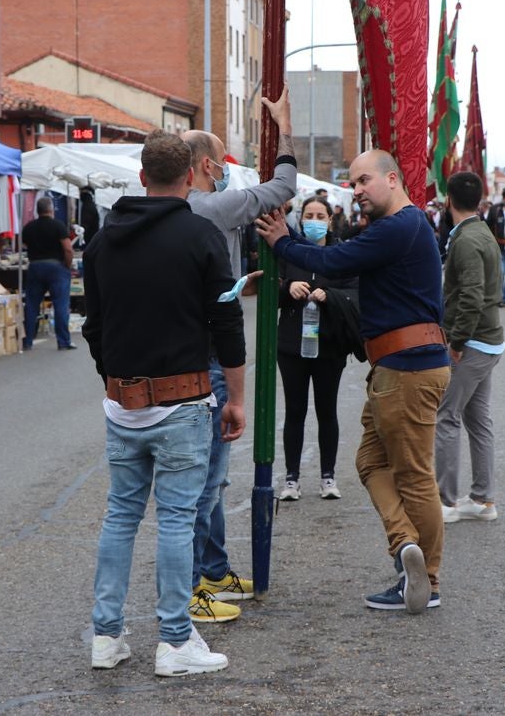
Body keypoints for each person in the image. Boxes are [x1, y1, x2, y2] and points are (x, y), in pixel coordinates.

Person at [82, 128, 247, 677]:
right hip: (183, 399)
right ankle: (175, 641)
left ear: (142, 176)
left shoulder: (104, 239)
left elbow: (94, 325)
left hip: (122, 402)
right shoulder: (200, 236)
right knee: (176, 519)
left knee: (121, 515)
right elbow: (227, 322)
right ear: (191, 176)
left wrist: (116, 377)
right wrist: (237, 399)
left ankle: (106, 636)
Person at [256, 149, 450, 615]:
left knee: (415, 474)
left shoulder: (399, 226)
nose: (357, 190)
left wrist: (283, 242)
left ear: (393, 179)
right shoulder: (403, 226)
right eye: (352, 183)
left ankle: (428, 580)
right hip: (398, 366)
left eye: (364, 181)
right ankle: (408, 548)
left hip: (407, 368)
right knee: (369, 461)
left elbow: (338, 262)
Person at [181, 86, 297, 623]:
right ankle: (190, 596)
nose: (229, 167)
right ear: (207, 165)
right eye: (224, 159)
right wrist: (284, 128)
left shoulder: (177, 209)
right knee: (204, 484)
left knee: (211, 479)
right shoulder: (214, 206)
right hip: (209, 356)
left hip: (180, 353)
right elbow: (283, 186)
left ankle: (213, 569)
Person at [276, 196, 359, 502]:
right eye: (308, 214)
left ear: (329, 220)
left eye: (319, 215)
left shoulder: (342, 253)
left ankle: (328, 476)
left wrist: (330, 295)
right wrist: (288, 288)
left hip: (329, 345)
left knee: (327, 411)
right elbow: (270, 289)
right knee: (294, 411)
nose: (313, 219)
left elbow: (355, 292)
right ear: (301, 218)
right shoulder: (290, 252)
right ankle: (291, 478)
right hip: (291, 345)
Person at [434, 172, 504, 525]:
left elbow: (472, 295)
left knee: (447, 417)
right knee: (478, 420)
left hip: (473, 343)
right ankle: (482, 499)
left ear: (448, 200)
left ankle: (445, 503)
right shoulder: (482, 233)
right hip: (489, 341)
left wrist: (456, 341)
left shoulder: (465, 240)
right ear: (479, 200)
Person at [22, 197, 75, 350]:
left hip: (35, 266)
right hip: (56, 267)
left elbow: (25, 244)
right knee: (60, 305)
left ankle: (28, 341)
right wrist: (67, 265)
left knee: (31, 305)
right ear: (51, 210)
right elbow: (68, 248)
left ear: (37, 210)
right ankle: (63, 341)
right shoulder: (58, 226)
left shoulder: (29, 227)